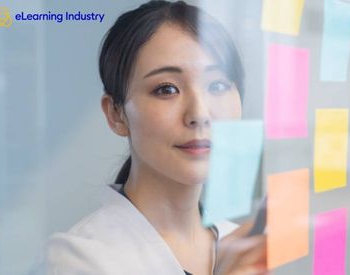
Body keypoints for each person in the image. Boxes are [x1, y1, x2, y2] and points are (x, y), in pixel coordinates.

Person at [44, 1, 267, 274]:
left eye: (217, 85)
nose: (199, 113)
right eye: (167, 89)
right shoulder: (80, 259)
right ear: (116, 114)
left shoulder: (239, 245)